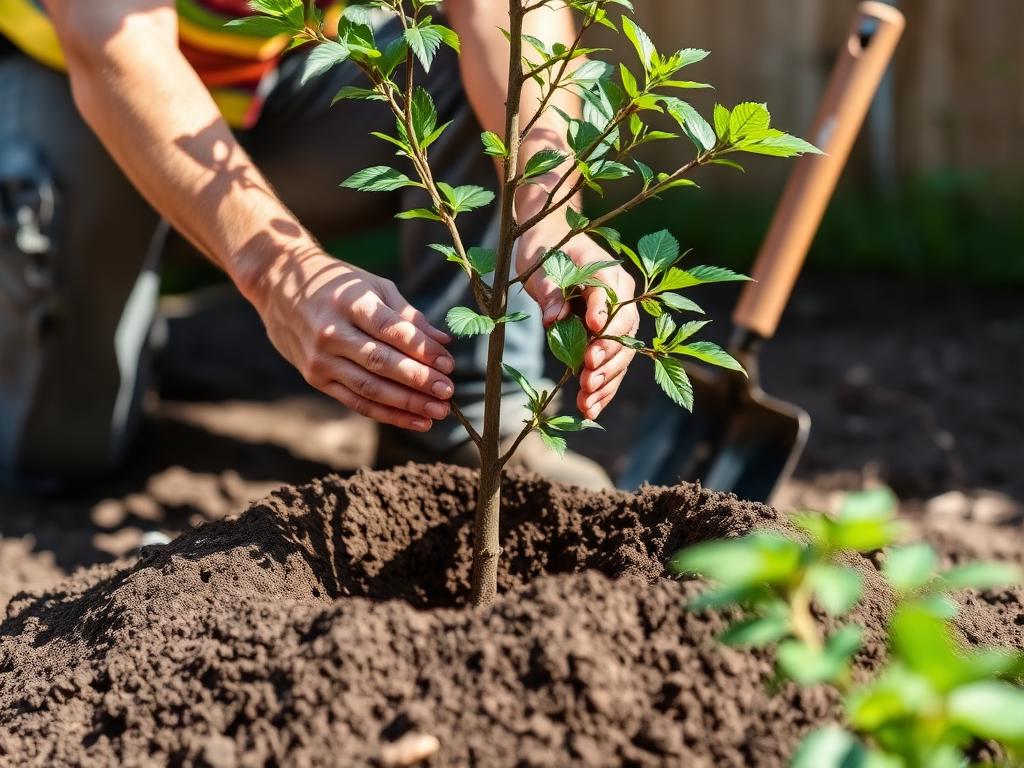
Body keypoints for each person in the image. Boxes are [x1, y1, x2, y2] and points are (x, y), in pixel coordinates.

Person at [0, 0, 640, 491]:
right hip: (71, 78)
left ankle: (457, 424)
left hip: (278, 75)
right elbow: (114, 48)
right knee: (61, 455)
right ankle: (147, 329)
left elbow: (503, 11)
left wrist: (547, 201)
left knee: (443, 66)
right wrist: (280, 271)